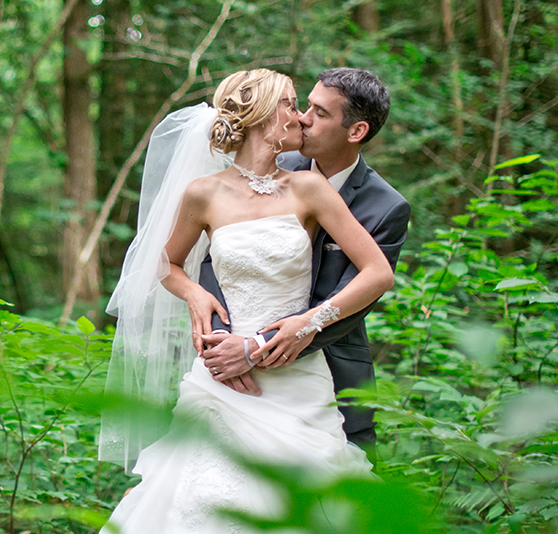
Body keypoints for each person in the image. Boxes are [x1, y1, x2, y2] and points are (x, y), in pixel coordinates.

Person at [99, 68, 395, 533]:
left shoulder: (308, 187)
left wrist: (309, 323)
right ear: (263, 117)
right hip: (221, 375)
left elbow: (378, 272)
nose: (301, 115)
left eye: (313, 109)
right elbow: (164, 263)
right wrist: (196, 295)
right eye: (293, 104)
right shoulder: (203, 193)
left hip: (297, 373)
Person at [198, 68, 411, 455]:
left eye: (320, 113)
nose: (302, 118)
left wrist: (256, 348)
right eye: (303, 105)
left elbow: (359, 291)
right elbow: (218, 256)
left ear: (356, 131)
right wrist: (222, 340)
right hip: (233, 358)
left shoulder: (386, 207)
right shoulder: (269, 163)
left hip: (328, 364)